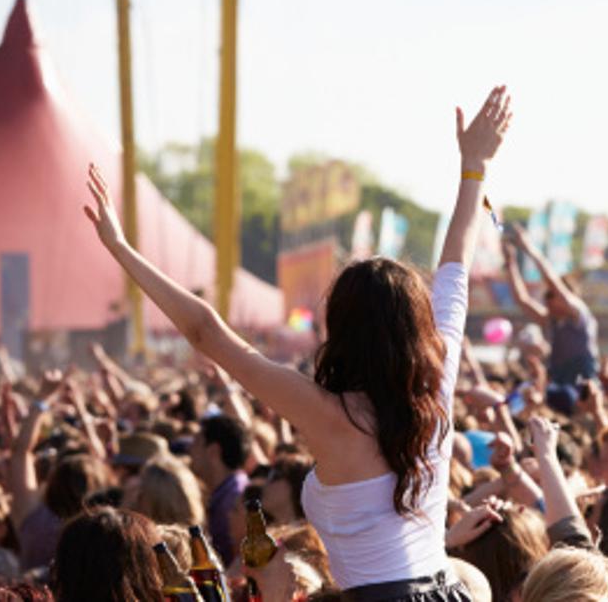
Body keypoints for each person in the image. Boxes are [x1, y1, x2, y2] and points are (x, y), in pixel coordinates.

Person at [83, 86, 513, 599]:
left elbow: (206, 332)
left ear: (342, 329)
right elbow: (455, 269)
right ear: (416, 326)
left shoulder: (329, 412)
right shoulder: (434, 385)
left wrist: (122, 250)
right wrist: (473, 168)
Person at [502, 223, 599, 410]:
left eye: (550, 297)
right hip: (559, 381)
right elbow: (522, 300)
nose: (546, 302)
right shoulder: (551, 320)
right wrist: (510, 264)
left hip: (582, 383)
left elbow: (552, 281)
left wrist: (528, 247)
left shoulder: (578, 314)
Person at [189, 415, 249, 563]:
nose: (189, 450)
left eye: (196, 443)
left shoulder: (234, 501)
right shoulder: (228, 493)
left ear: (213, 451)